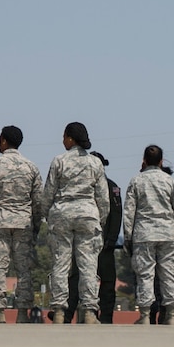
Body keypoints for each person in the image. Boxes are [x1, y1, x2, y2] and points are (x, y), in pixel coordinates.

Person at [37, 121, 106, 323]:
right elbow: (103, 197)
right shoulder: (95, 163)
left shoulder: (59, 161)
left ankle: (58, 310)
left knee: (60, 264)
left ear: (70, 138)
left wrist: (47, 216)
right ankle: (90, 312)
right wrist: (98, 219)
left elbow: (48, 193)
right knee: (88, 265)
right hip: (88, 215)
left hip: (62, 215)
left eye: (64, 136)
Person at [0, 124, 41, 323]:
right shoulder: (31, 167)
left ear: (3, 140)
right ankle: (22, 313)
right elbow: (38, 201)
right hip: (24, 224)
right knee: (24, 269)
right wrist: (36, 224)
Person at [121, 144, 174, 326]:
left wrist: (128, 237)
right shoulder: (170, 182)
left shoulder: (136, 181)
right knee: (169, 274)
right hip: (168, 233)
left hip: (144, 234)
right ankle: (171, 315)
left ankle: (145, 315)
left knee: (145, 275)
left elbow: (129, 212)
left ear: (144, 161)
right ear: (161, 161)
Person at [65, 152, 122, 324]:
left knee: (107, 283)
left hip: (104, 245)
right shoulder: (83, 185)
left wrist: (111, 240)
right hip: (84, 242)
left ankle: (106, 317)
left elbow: (116, 215)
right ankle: (67, 314)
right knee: (76, 279)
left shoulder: (112, 187)